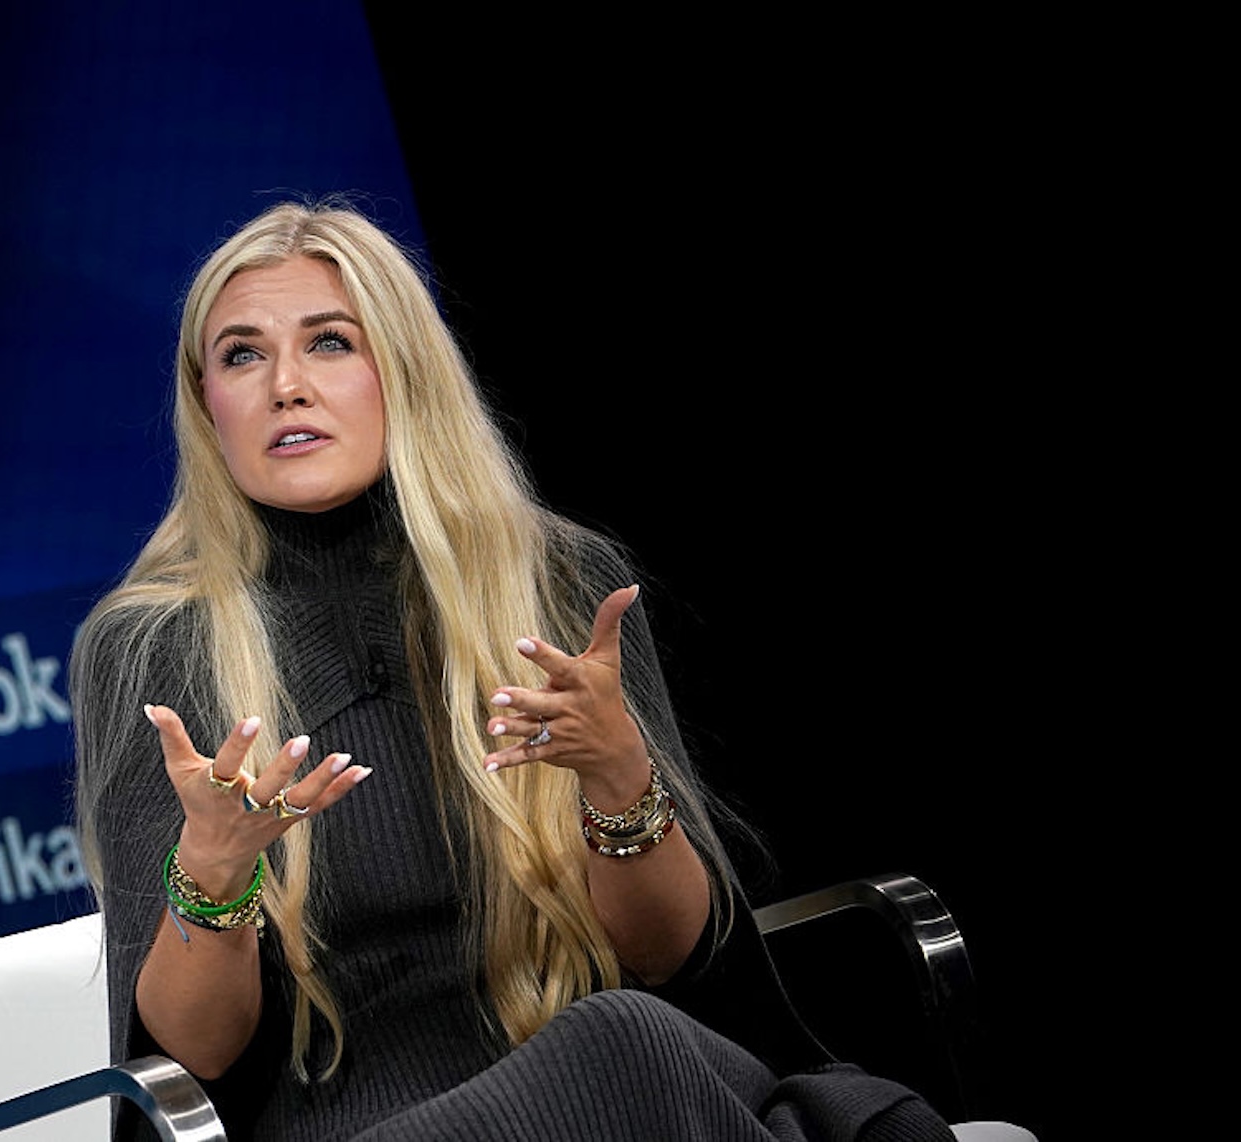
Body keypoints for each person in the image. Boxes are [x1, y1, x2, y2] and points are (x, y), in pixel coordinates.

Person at [71, 198, 952, 1141]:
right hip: (370, 1127)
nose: (285, 384)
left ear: (403, 370)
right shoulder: (152, 649)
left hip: (631, 1091)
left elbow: (677, 961)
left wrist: (619, 778)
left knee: (632, 1044)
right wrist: (213, 868)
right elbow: (184, 1067)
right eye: (241, 355)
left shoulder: (561, 582)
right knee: (624, 1046)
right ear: (206, 405)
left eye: (330, 342)